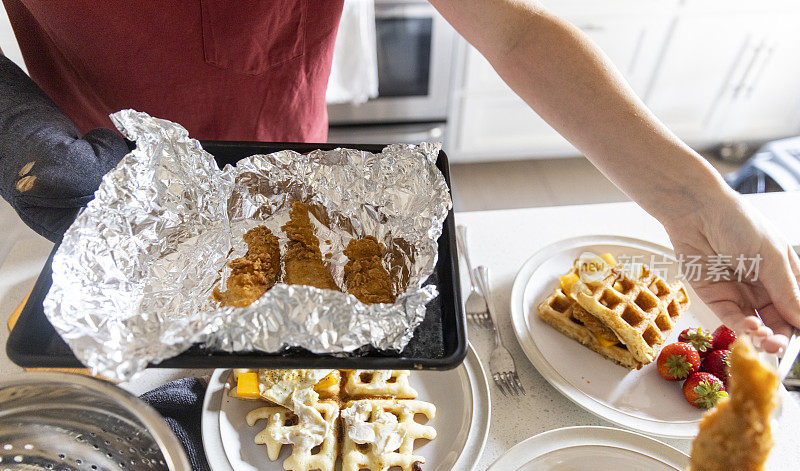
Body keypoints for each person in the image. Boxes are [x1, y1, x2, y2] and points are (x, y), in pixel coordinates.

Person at [0, 0, 797, 351]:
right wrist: (20, 130)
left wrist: (699, 200)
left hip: (285, 153)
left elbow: (511, 29)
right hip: (101, 173)